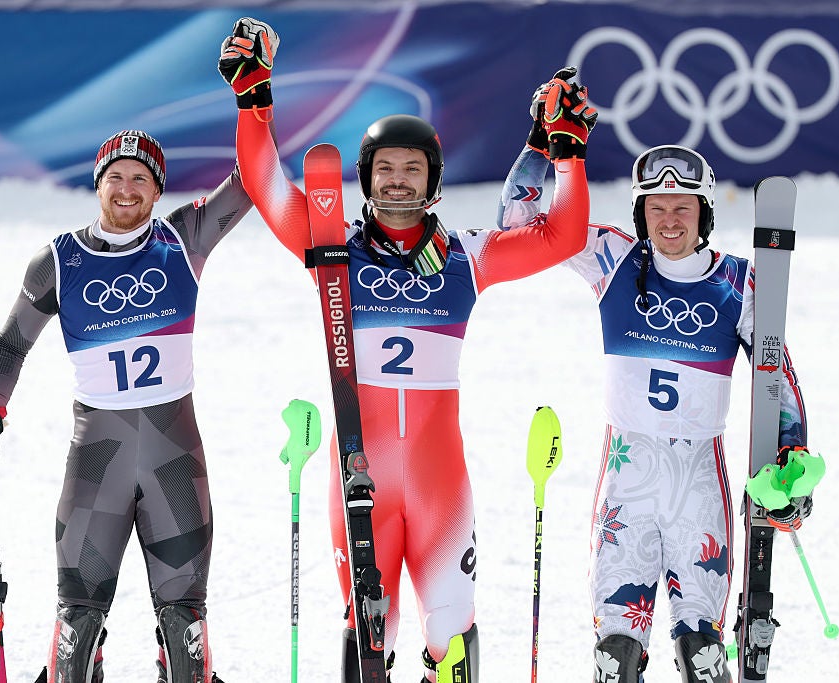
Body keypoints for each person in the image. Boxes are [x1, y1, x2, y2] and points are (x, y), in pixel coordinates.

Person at [218, 18, 597, 683]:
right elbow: (264, 182)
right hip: (359, 480)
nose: (397, 181)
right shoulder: (328, 246)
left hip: (438, 482)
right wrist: (254, 98)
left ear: (435, 178)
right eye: (385, 169)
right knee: (369, 637)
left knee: (452, 640)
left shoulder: (466, 257)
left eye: (411, 168)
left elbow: (562, 237)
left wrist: (564, 151)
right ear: (365, 178)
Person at [497, 85, 812, 683]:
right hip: (628, 472)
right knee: (615, 654)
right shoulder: (612, 259)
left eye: (683, 207)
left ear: (704, 215)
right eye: (657, 207)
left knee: (703, 654)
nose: (670, 220)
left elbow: (778, 374)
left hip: (699, 477)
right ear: (641, 213)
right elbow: (518, 219)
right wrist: (544, 141)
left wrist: (791, 457)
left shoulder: (738, 283)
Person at [0, 121, 259, 683]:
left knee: (187, 639)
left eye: (141, 178)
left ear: (159, 190)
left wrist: (253, 96)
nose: (128, 189)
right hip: (97, 462)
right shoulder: (58, 260)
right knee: (75, 638)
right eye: (116, 176)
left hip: (174, 460)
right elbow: (11, 344)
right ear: (98, 183)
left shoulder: (184, 239)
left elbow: (252, 181)